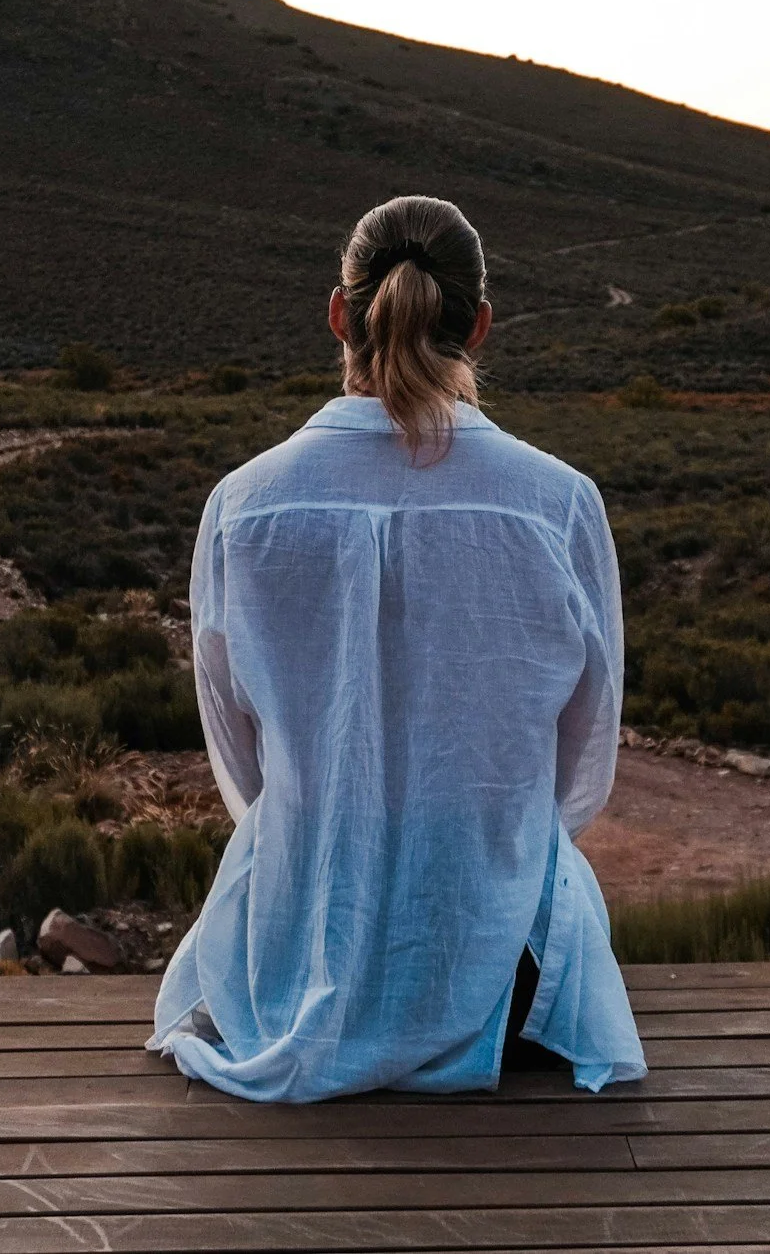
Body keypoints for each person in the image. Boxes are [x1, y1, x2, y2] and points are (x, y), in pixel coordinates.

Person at [148, 195, 645, 1101]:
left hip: (291, 961)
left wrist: (338, 837)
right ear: (481, 328)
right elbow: (584, 760)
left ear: (340, 314)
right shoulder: (559, 504)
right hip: (503, 981)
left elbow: (240, 759)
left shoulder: (243, 506)